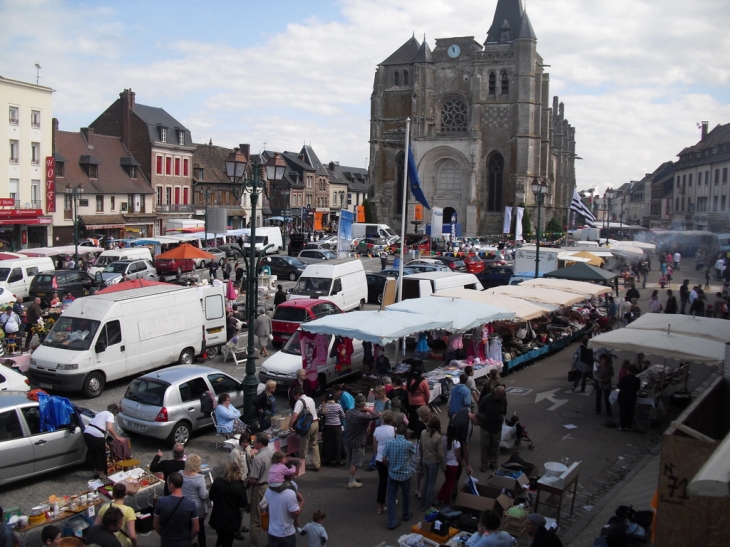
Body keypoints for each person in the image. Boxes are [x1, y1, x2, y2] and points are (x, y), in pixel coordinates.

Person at [382, 423, 415, 530]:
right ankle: (406, 514)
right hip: (405, 474)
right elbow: (414, 452)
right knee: (406, 495)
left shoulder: (389, 443)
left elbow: (384, 459)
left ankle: (392, 522)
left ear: (395, 432)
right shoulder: (408, 444)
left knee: (391, 498)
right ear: (406, 433)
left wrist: (390, 466)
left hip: (392, 473)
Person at [154, 472, 199, 547]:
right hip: (184, 543)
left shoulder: (161, 502)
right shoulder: (191, 504)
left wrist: (164, 536)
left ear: (171, 485)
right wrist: (188, 539)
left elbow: (155, 525)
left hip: (167, 542)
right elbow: (196, 528)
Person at [344, 394, 380, 488]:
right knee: (355, 463)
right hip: (359, 441)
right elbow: (376, 415)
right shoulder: (362, 416)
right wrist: (368, 409)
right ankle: (351, 481)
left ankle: (354, 475)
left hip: (349, 439)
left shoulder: (348, 412)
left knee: (352, 460)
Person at [209, 461, 248, 547]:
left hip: (218, 516)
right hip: (231, 519)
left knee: (221, 537)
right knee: (228, 541)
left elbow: (211, 496)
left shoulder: (217, 482)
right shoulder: (239, 486)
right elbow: (243, 503)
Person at [84, 404, 124, 479]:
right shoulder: (110, 415)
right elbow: (109, 428)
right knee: (100, 455)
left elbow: (100, 427)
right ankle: (102, 476)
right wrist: (117, 437)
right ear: (115, 412)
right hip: (96, 435)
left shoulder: (101, 413)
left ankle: (95, 473)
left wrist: (104, 442)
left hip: (87, 434)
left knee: (93, 453)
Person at [263, 473, 304, 547]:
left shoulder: (269, 490)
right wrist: (302, 502)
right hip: (287, 533)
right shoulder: (290, 493)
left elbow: (263, 506)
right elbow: (294, 514)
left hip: (272, 532)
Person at [248, 433, 274, 547]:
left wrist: (246, 480)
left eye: (255, 441)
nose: (253, 443)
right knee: (271, 516)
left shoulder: (258, 458)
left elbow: (253, 479)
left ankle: (253, 544)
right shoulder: (272, 453)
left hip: (260, 488)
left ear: (260, 443)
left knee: (256, 518)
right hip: (271, 487)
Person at [289, 387, 321, 471]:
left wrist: (290, 426)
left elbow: (295, 415)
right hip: (316, 423)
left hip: (307, 426)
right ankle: (317, 464)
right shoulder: (310, 399)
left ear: (297, 395)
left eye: (294, 397)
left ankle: (303, 465)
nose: (295, 399)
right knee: (314, 444)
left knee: (303, 447)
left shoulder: (300, 402)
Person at [476, 385, 507, 472]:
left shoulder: (503, 400)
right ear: (495, 393)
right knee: (485, 446)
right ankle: (484, 464)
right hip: (486, 427)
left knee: (495, 446)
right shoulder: (486, 399)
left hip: (497, 427)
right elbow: (480, 410)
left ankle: (493, 463)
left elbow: (504, 411)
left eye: (502, 395)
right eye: (499, 395)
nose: (500, 397)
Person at [181, 454, 209, 547]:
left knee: (186, 528)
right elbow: (203, 495)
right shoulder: (199, 478)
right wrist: (208, 493)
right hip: (197, 508)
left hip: (183, 506)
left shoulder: (180, 473)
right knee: (200, 529)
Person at [419, 416, 445, 511]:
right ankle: (427, 505)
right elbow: (440, 454)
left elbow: (420, 447)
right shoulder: (438, 437)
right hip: (433, 462)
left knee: (426, 481)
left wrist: (421, 458)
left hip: (425, 459)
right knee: (431, 484)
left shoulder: (423, 433)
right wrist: (443, 465)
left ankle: (422, 502)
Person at [373, 411, 396, 514]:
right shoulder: (394, 430)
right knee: (392, 481)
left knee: (382, 482)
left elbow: (375, 446)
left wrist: (377, 456)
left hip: (379, 459)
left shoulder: (377, 430)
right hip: (391, 459)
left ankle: (380, 506)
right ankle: (392, 499)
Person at [436, 423, 462, 505]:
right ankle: (446, 501)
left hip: (446, 464)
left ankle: (439, 498)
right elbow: (458, 456)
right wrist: (461, 462)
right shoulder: (457, 442)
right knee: (450, 484)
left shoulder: (443, 439)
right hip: (454, 465)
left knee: (447, 481)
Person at [318, 392, 346, 466]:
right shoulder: (338, 406)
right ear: (334, 398)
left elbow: (317, 413)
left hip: (327, 427)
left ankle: (327, 459)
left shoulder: (323, 405)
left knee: (328, 443)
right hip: (337, 426)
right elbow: (343, 415)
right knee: (338, 443)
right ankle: (339, 460)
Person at [406, 365, 430, 438]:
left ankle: (413, 432)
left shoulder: (409, 380)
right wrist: (427, 403)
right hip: (421, 403)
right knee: (420, 419)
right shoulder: (423, 381)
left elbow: (407, 391)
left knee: (413, 418)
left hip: (411, 403)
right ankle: (419, 433)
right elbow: (427, 394)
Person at [617, 365, 641, 432]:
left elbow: (619, 386)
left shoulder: (624, 378)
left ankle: (622, 426)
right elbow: (637, 388)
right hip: (632, 397)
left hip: (623, 397)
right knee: (630, 412)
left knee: (622, 412)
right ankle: (628, 426)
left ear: (628, 371)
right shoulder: (637, 380)